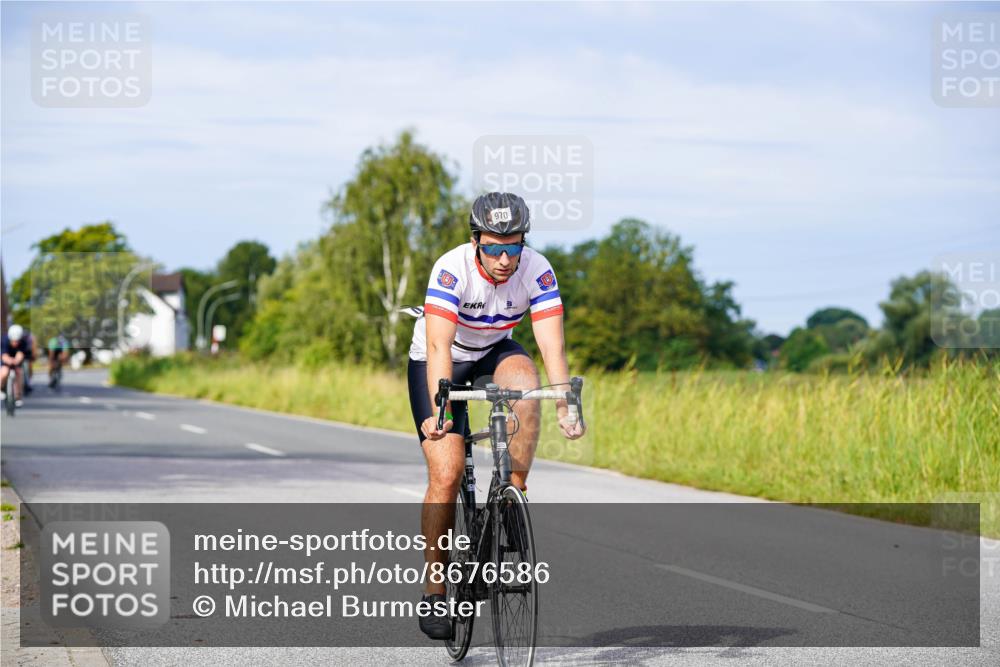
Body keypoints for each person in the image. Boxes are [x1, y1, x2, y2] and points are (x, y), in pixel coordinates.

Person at [407, 192, 586, 640]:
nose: (505, 258)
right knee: (446, 473)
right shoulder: (452, 270)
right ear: (475, 243)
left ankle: (512, 494)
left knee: (526, 381)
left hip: (494, 349)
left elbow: (551, 347)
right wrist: (441, 412)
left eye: (514, 246)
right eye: (494, 247)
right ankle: (435, 589)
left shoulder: (538, 269)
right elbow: (437, 348)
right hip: (441, 359)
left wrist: (565, 402)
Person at [1, 324, 28, 407]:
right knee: (4, 372)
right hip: (6, 359)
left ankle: (18, 396)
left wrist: (16, 361)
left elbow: (21, 354)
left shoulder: (23, 342)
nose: (15, 343)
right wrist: (8, 360)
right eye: (13, 341)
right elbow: (3, 355)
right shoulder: (4, 340)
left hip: (16, 361)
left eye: (17, 341)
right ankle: (1, 388)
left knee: (19, 373)